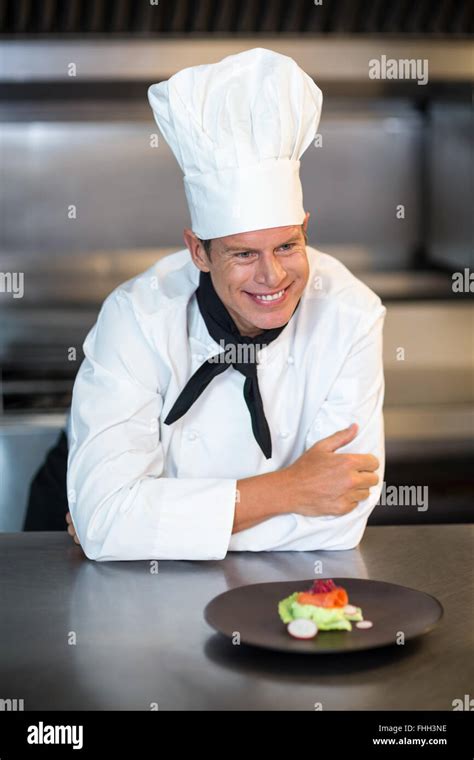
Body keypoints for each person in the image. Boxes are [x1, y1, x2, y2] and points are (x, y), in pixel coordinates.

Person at [61, 48, 385, 560]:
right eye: (243, 254)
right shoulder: (136, 317)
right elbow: (103, 517)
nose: (272, 276)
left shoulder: (351, 315)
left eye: (286, 246)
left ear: (306, 230)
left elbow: (339, 524)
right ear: (199, 252)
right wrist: (292, 491)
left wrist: (144, 525)